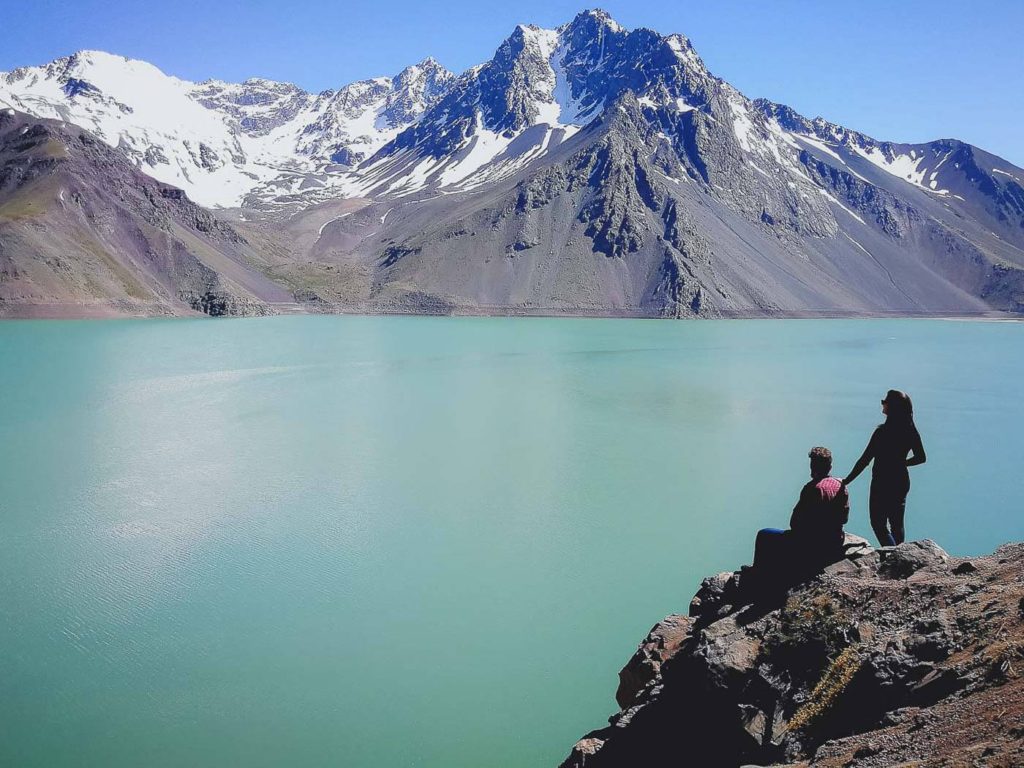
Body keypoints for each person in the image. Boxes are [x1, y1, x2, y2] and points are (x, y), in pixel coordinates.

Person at [752, 447, 850, 585]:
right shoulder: (841, 485)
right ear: (830, 466)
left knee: (764, 535)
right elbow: (844, 519)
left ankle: (757, 576)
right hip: (835, 540)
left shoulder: (812, 489)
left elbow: (795, 523)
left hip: (813, 544)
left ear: (812, 467)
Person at [841, 389, 926, 547]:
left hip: (882, 481)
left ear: (892, 407)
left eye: (885, 401)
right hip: (901, 480)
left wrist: (847, 481)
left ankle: (891, 555)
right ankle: (900, 555)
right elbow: (921, 458)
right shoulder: (910, 430)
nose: (883, 403)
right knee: (897, 523)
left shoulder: (882, 432)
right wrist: (902, 463)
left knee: (878, 524)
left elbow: (864, 460)